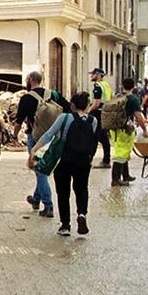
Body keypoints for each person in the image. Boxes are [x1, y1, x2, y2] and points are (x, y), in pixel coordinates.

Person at [35, 89, 101, 236]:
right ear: (87, 105)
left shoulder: (64, 118)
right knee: (82, 189)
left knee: (63, 192)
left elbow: (49, 135)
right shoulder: (93, 121)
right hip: (84, 161)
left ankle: (65, 225)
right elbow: (94, 142)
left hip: (65, 160)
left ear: (72, 105)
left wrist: (35, 149)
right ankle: (82, 214)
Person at [14, 69, 62, 218]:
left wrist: (15, 136)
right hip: (53, 137)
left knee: (40, 171)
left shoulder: (26, 98)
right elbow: (66, 110)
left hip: (35, 139)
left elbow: (18, 121)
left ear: (30, 80)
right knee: (40, 169)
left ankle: (48, 206)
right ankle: (36, 199)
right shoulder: (54, 94)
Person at [108, 73, 148, 186]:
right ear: (134, 86)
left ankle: (125, 175)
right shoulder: (133, 99)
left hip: (115, 128)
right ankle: (115, 179)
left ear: (122, 86)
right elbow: (138, 116)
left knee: (124, 151)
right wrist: (145, 130)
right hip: (124, 129)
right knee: (121, 153)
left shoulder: (118, 96)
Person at [88, 67, 112, 167]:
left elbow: (96, 103)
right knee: (103, 137)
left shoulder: (97, 86)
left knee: (94, 137)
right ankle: (106, 160)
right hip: (105, 112)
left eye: (93, 74)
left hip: (97, 113)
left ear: (98, 75)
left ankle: (89, 160)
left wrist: (88, 112)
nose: (91, 76)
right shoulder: (106, 85)